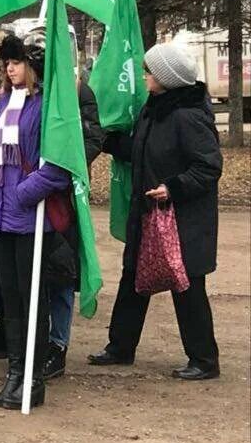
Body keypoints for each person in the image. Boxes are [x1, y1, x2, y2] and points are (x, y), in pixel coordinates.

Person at [89, 40, 222, 381]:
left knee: (187, 287)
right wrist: (105, 141)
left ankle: (204, 360)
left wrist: (172, 188)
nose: (144, 75)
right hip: (148, 214)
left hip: (182, 221)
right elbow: (141, 150)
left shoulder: (189, 116)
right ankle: (120, 347)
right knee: (134, 277)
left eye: (150, 70)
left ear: (167, 77)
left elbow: (208, 167)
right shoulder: (155, 107)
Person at [0, 31, 70, 409]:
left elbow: (57, 164)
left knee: (32, 298)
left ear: (33, 67)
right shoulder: (3, 103)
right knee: (9, 298)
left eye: (17, 62)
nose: (10, 69)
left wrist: (23, 193)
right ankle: (14, 373)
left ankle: (32, 377)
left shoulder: (46, 106)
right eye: (7, 63)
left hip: (29, 217)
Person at [43, 71, 103, 378]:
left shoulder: (79, 89)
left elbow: (94, 137)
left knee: (62, 272)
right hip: (33, 193)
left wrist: (65, 162)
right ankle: (37, 341)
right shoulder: (28, 91)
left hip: (65, 194)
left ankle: (58, 344)